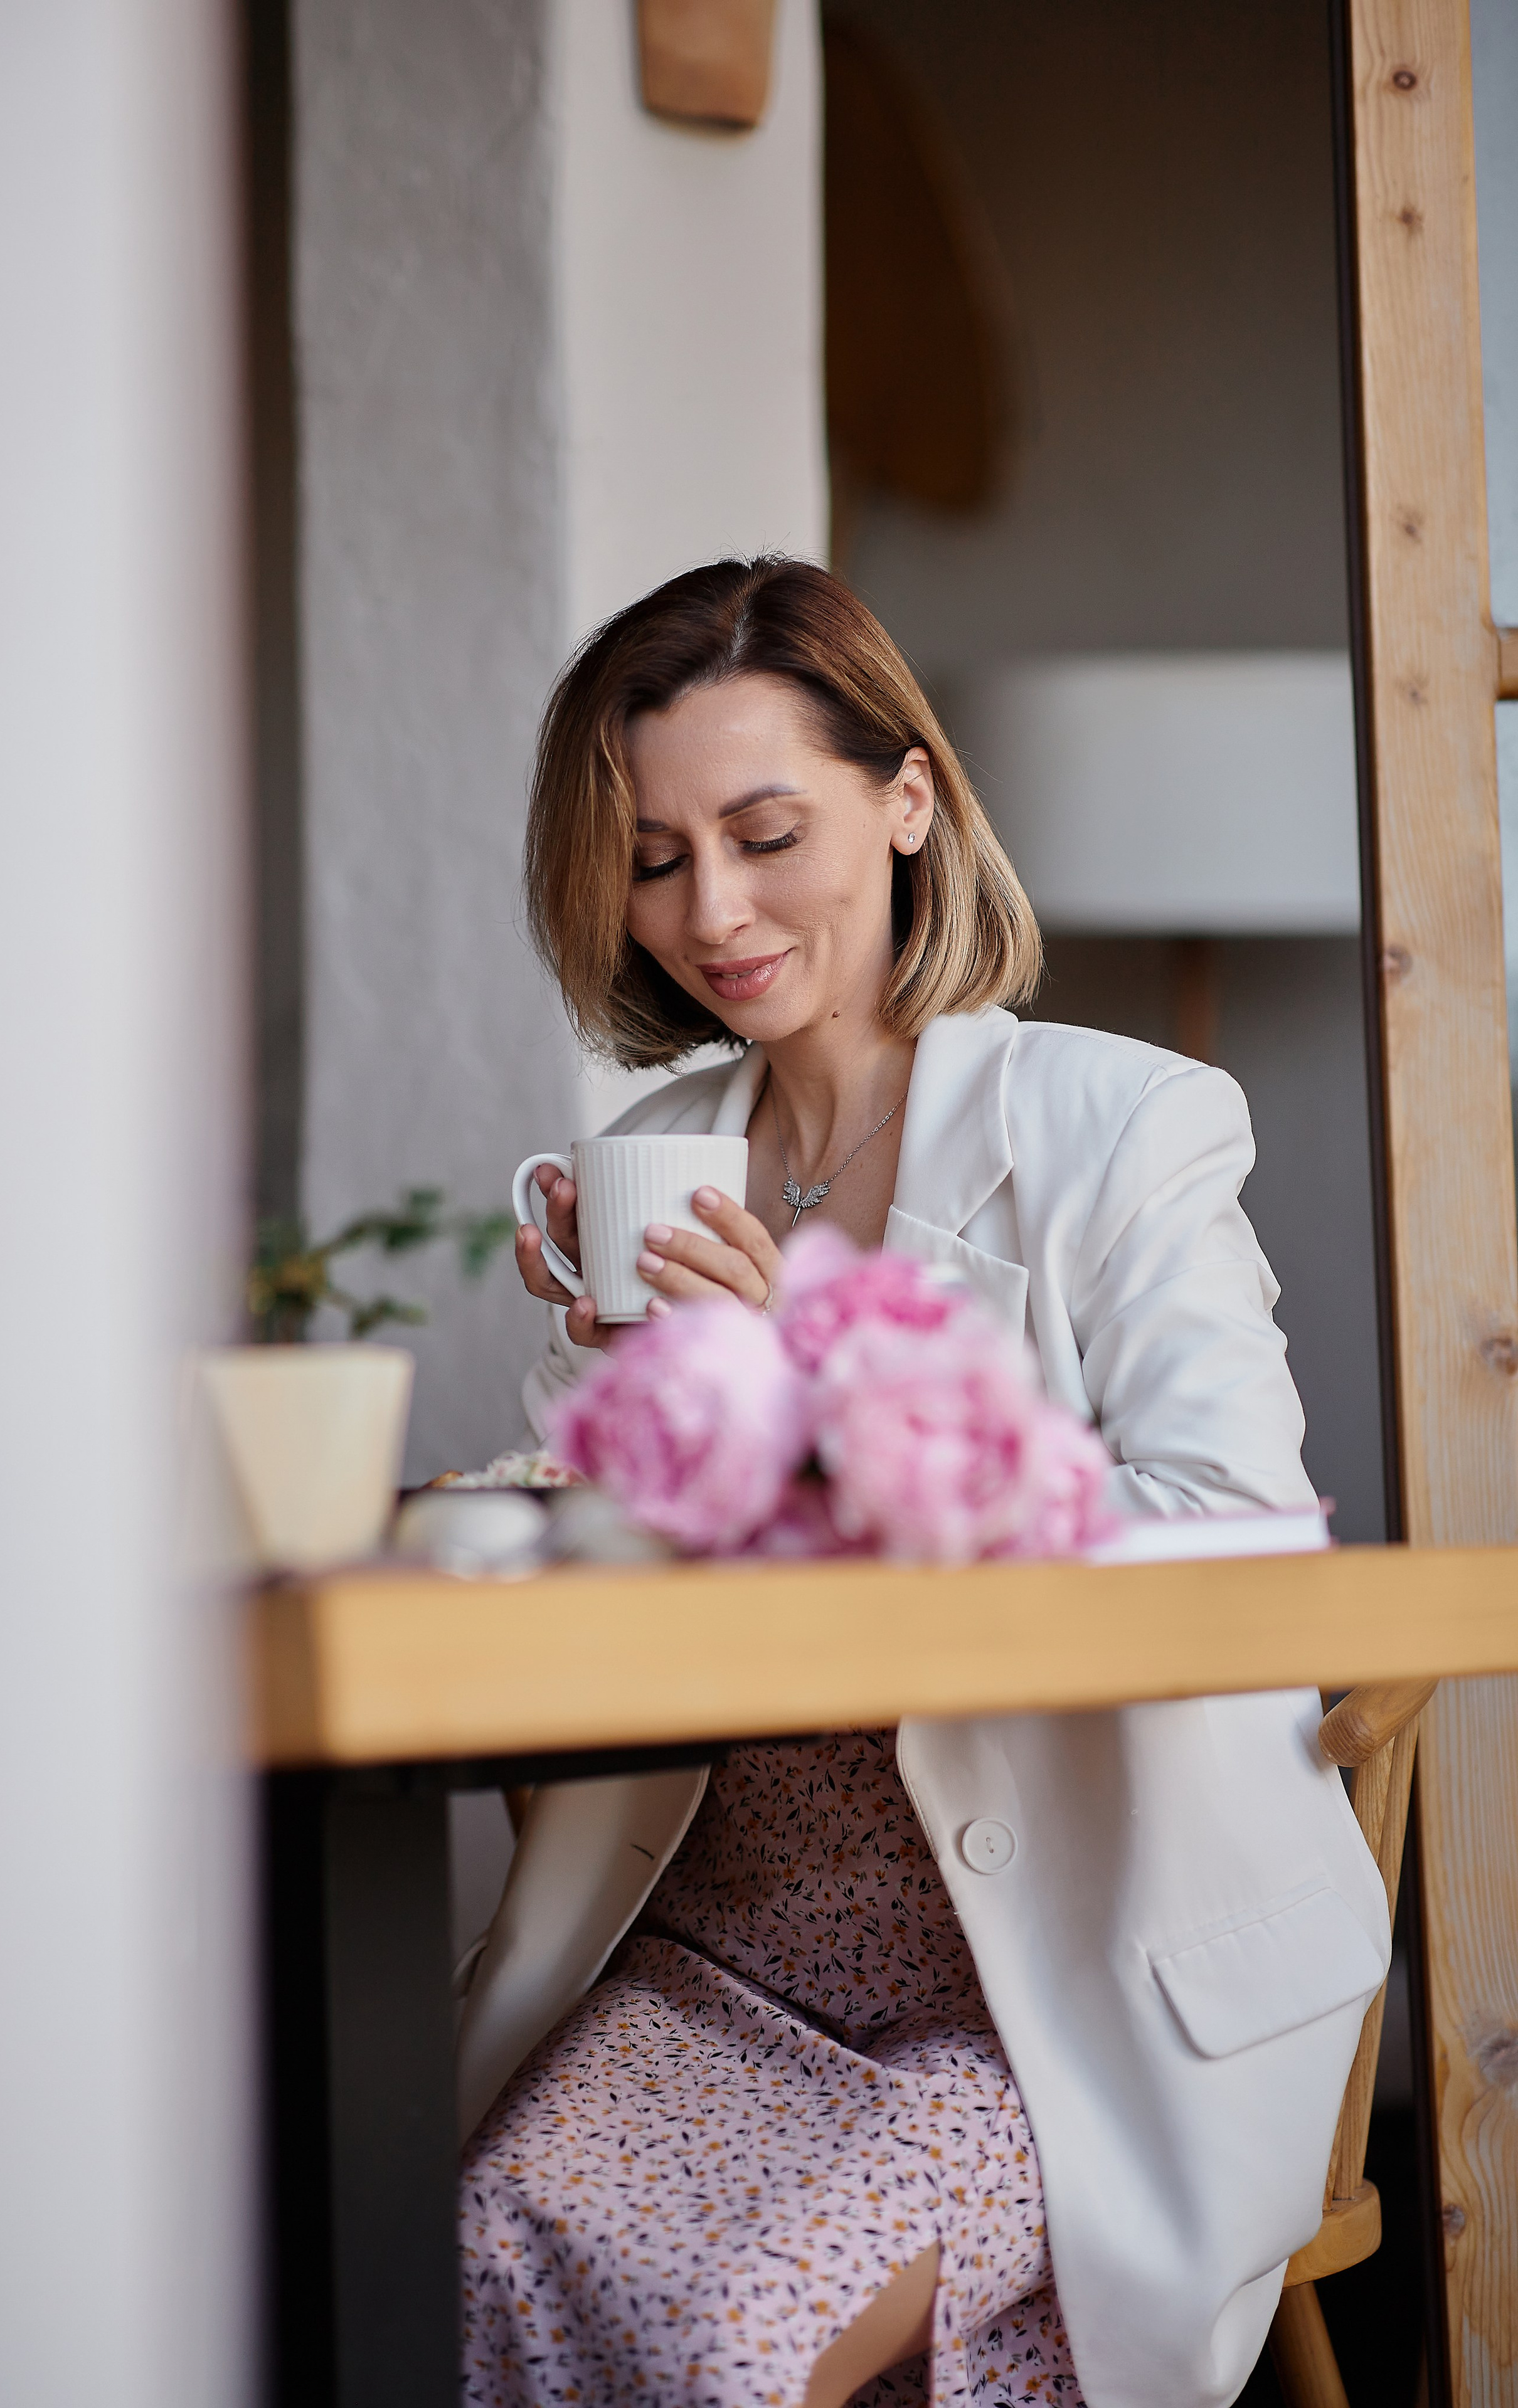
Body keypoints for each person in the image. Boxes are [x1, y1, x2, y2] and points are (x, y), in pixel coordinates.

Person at [457, 558, 1388, 2408]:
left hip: (1048, 1984)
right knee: (471, 2254)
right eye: (654, 858)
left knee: (728, 2337)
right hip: (717, 1950)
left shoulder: (1120, 1127)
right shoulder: (655, 1159)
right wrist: (590, 1409)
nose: (710, 910)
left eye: (763, 831)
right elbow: (642, 1573)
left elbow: (1237, 1539)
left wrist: (825, 1396)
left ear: (909, 802)